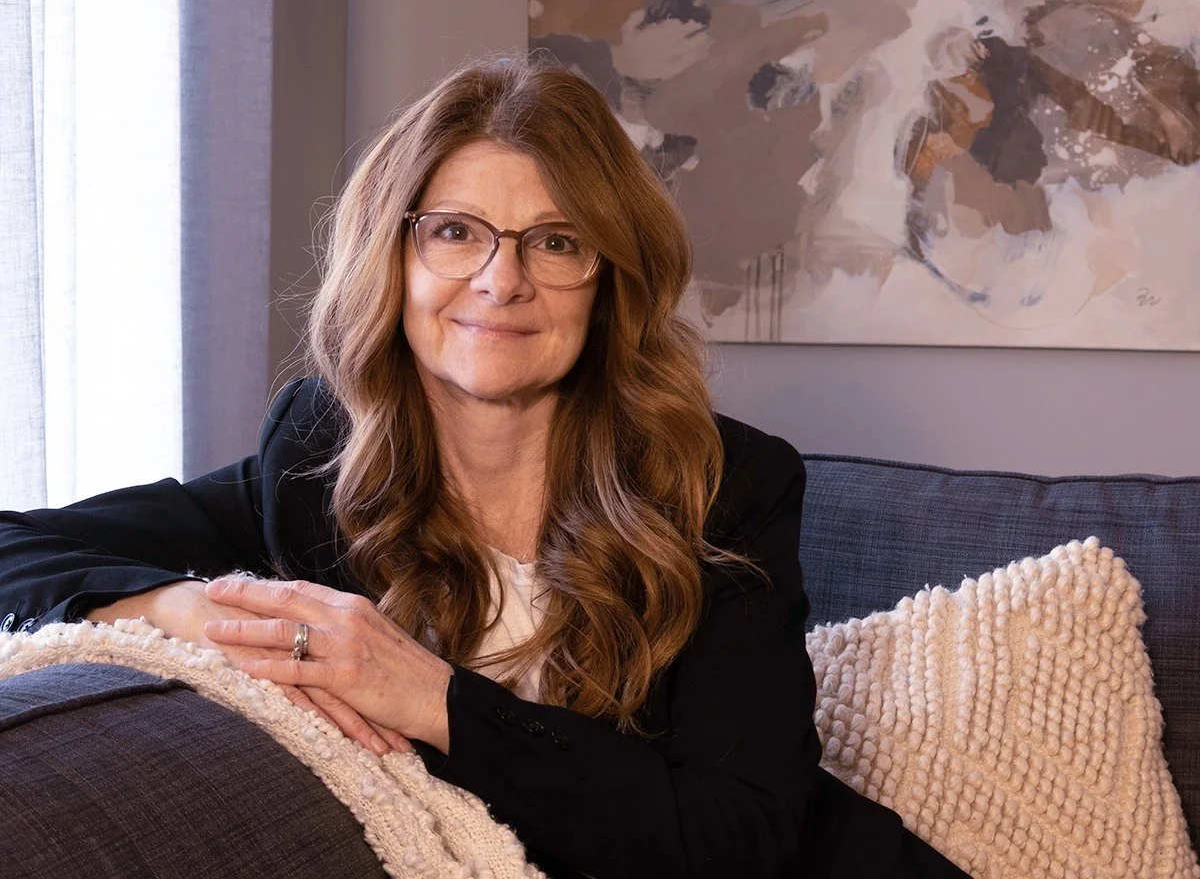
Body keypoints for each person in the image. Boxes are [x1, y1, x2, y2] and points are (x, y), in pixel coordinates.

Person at [0, 57, 967, 878]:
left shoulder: (725, 487)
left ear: (611, 279)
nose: (500, 281)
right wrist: (193, 612)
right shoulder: (315, 458)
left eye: (555, 242)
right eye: (456, 231)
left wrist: (431, 697)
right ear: (395, 256)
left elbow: (735, 841)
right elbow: (16, 552)